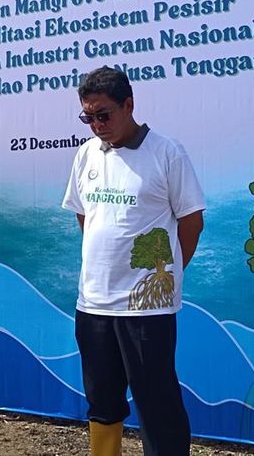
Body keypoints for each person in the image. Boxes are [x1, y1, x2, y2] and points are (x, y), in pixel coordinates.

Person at [61, 67, 205, 456]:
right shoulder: (86, 154)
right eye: (87, 117)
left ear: (129, 105)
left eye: (103, 115)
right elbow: (84, 216)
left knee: (157, 404)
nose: (95, 125)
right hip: (92, 304)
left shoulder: (166, 152)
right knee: (102, 402)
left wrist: (166, 273)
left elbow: (191, 222)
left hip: (146, 309)